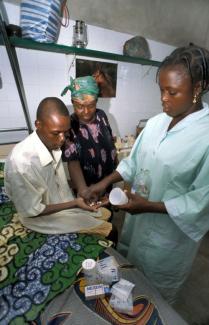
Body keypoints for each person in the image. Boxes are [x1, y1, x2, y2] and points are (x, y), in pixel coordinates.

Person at [80, 45, 209, 303]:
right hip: (136, 223)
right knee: (128, 281)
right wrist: (101, 184)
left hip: (168, 239)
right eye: (161, 90)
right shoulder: (156, 122)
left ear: (197, 88)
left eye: (172, 92)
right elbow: (133, 163)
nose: (163, 98)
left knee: (155, 297)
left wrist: (148, 206)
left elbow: (201, 200)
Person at [4, 97, 112, 237]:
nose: (62, 139)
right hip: (40, 218)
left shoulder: (52, 145)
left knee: (105, 213)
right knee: (109, 230)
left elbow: (52, 182)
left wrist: (83, 191)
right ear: (38, 124)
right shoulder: (21, 164)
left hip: (62, 204)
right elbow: (32, 211)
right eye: (56, 133)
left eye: (65, 132)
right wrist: (74, 203)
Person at [61, 76, 117, 197]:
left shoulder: (101, 115)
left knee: (108, 212)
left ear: (96, 101)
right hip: (86, 188)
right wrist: (83, 190)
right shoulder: (70, 125)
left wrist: (111, 176)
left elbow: (109, 143)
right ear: (72, 102)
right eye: (80, 106)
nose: (86, 111)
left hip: (107, 182)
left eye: (91, 105)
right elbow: (73, 161)